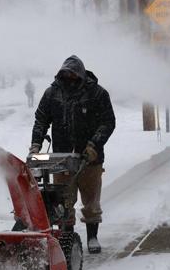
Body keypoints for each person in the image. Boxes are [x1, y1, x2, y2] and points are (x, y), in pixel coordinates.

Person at [29, 55, 115, 254]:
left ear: (81, 76)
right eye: (65, 76)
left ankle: (92, 236)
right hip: (63, 158)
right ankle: (67, 238)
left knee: (91, 200)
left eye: (73, 76)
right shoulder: (52, 94)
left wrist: (94, 145)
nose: (69, 80)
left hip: (89, 158)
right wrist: (36, 145)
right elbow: (41, 120)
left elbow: (108, 122)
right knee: (63, 201)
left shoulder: (97, 94)